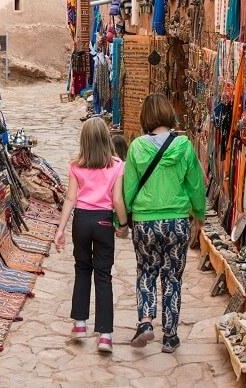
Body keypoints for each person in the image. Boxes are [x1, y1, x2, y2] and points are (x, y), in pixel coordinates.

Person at [122, 94, 206, 353]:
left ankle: (146, 323)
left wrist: (121, 218)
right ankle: (170, 336)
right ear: (169, 114)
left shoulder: (136, 147)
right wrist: (199, 215)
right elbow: (195, 184)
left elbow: (129, 187)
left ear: (146, 117)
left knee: (146, 271)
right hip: (177, 223)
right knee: (172, 278)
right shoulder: (184, 146)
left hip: (145, 221)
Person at [54, 118, 128, 353]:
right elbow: (117, 200)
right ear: (107, 138)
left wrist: (60, 229)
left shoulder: (76, 166)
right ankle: (105, 335)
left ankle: (79, 324)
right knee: (103, 275)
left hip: (82, 221)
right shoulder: (117, 166)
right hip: (104, 221)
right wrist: (124, 223)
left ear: (83, 141)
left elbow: (70, 199)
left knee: (82, 269)